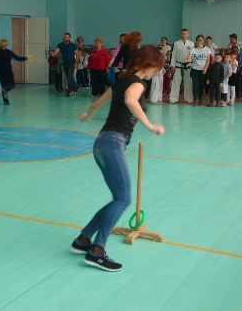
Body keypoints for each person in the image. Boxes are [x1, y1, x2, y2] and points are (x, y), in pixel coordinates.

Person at [73, 45, 165, 272]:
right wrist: (150, 125)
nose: (157, 73)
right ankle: (97, 250)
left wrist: (88, 116)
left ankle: (83, 239)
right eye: (158, 68)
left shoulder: (121, 81)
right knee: (123, 199)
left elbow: (96, 104)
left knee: (117, 198)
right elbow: (131, 101)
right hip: (113, 143)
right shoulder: (137, 83)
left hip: (101, 142)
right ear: (149, 64)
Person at [0, 39, 28, 105]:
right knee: (12, 84)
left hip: (0, 71)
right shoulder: (8, 52)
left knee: (3, 86)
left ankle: (6, 101)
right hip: (7, 71)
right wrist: (26, 58)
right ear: (6, 45)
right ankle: (6, 89)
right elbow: (17, 58)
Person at [170, 28, 194, 104]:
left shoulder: (191, 44)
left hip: (188, 65)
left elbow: (192, 55)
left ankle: (189, 98)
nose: (184, 35)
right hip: (178, 64)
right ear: (181, 34)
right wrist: (172, 65)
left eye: (185, 34)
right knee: (176, 82)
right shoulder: (176, 43)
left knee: (188, 82)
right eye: (182, 34)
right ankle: (173, 98)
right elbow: (173, 55)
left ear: (188, 34)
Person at [50, 33, 78, 97]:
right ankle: (74, 88)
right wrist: (53, 54)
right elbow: (56, 52)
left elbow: (77, 54)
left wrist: (76, 63)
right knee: (68, 77)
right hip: (65, 63)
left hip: (71, 63)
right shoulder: (60, 45)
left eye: (66, 37)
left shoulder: (73, 45)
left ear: (69, 38)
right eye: (64, 37)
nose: (65, 38)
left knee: (69, 75)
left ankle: (69, 92)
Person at [186, 34, 211, 106]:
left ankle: (200, 99)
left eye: (201, 40)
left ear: (203, 41)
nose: (199, 41)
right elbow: (190, 57)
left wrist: (205, 68)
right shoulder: (193, 49)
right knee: (195, 85)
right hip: (194, 69)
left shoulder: (207, 49)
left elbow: (208, 60)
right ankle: (195, 100)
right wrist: (187, 60)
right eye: (198, 40)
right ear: (196, 41)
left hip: (203, 69)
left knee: (201, 85)